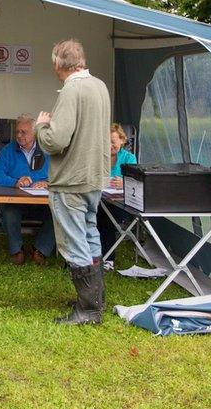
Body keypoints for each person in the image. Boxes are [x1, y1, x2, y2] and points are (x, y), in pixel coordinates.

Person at [36, 39, 111, 325]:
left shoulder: (72, 89)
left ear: (58, 63)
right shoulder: (99, 86)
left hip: (71, 180)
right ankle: (95, 299)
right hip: (95, 177)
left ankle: (88, 310)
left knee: (74, 241)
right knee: (91, 235)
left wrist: (42, 125)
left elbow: (56, 141)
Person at [0, 114, 56, 265]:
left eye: (23, 132)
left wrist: (47, 183)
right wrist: (15, 182)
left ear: (35, 133)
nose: (19, 135)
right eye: (17, 131)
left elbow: (61, 174)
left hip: (42, 203)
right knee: (9, 211)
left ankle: (40, 249)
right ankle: (17, 250)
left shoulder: (47, 150)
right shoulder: (8, 150)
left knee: (59, 212)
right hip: (16, 202)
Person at [98, 124, 137, 252]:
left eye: (113, 142)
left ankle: (107, 259)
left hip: (121, 204)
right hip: (98, 200)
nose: (109, 145)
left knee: (104, 216)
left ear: (122, 140)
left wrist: (125, 183)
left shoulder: (129, 158)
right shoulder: (97, 158)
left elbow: (137, 185)